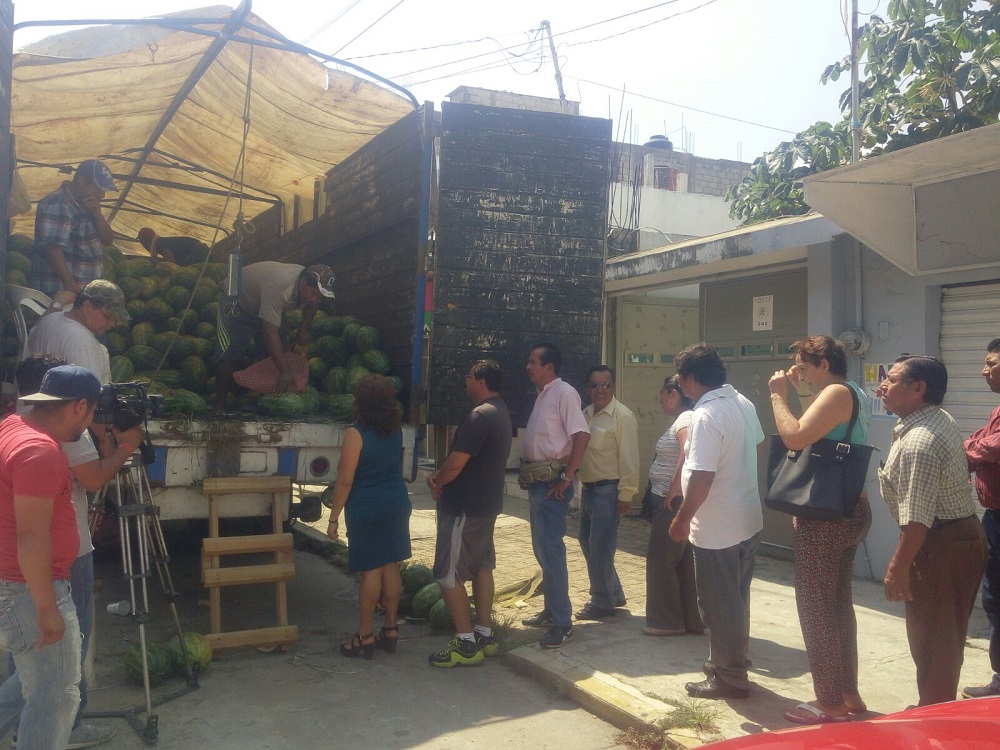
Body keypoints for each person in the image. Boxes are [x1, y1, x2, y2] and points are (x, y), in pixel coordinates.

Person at [767, 336, 872, 724]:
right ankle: (847, 692)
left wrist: (777, 396)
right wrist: (800, 392)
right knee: (837, 605)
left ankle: (829, 701)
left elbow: (794, 437)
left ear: (824, 365)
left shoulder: (836, 393)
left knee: (815, 607)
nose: (800, 372)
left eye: (804, 367)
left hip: (825, 518)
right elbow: (814, 432)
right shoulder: (852, 392)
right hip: (850, 509)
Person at [0, 365, 103, 748]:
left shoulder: (13, 427)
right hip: (27, 590)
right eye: (92, 413)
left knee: (35, 679)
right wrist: (47, 608)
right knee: (56, 697)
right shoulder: (39, 451)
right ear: (79, 406)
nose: (90, 423)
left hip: (16, 584)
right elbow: (31, 535)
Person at [878, 354, 987, 706]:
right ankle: (933, 704)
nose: (883, 386)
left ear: (918, 389)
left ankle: (934, 715)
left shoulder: (920, 441)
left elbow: (918, 519)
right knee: (939, 637)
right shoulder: (934, 419)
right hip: (951, 537)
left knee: (936, 641)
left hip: (942, 543)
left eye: (892, 380)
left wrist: (898, 566)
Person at [668, 342, 764, 700]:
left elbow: (702, 477)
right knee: (735, 601)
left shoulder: (706, 416)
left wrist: (682, 519)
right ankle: (730, 661)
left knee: (719, 606)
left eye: (680, 377)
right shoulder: (742, 403)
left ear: (690, 379)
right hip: (746, 521)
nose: (679, 383)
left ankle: (730, 677)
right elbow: (755, 446)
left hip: (718, 530)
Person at [426, 360, 513, 667]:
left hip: (464, 508)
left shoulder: (479, 416)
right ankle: (484, 634)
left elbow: (455, 464)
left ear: (481, 382)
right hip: (485, 507)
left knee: (447, 574)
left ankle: (465, 644)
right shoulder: (500, 411)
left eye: (468, 376)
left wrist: (437, 480)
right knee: (481, 567)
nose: (466, 381)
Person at [325, 375, 412, 660]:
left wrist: (334, 517)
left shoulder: (355, 433)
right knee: (391, 565)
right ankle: (390, 628)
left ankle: (364, 636)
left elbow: (345, 480)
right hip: (396, 502)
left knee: (371, 571)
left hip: (368, 506)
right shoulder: (396, 430)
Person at [519, 343, 590, 649]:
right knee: (542, 550)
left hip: (552, 484)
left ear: (548, 367)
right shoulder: (543, 394)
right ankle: (551, 610)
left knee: (551, 550)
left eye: (533, 362)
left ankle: (563, 623)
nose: (528, 367)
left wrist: (567, 476)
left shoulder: (564, 393)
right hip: (539, 482)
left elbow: (582, 435)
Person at [214, 261, 336, 410]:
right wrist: (284, 371)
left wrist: (303, 329)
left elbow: (313, 305)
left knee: (276, 353)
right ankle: (220, 405)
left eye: (319, 296)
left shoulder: (308, 286)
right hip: (238, 299)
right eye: (314, 293)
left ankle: (266, 401)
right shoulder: (280, 286)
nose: (314, 299)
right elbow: (269, 332)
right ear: (303, 282)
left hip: (263, 299)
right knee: (230, 351)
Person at [574, 365, 639, 620]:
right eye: (595, 385)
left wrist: (626, 494)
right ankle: (613, 592)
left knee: (601, 549)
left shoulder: (622, 416)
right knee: (587, 542)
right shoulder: (585, 414)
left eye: (606, 385)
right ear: (588, 388)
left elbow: (630, 459)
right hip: (589, 490)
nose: (600, 390)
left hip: (609, 493)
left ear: (613, 387)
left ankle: (601, 602)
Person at [644, 375, 703, 637]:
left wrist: (674, 488)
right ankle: (691, 620)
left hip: (671, 502)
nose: (659, 398)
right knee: (683, 562)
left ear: (673, 395)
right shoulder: (687, 417)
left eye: (662, 392)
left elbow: (687, 452)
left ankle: (665, 622)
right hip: (675, 499)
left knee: (661, 560)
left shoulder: (685, 419)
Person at [963, 338, 1000, 699]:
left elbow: (990, 446)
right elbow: (979, 440)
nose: (983, 371)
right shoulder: (997, 410)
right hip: (995, 518)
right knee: (994, 598)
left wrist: (971, 453)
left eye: (991, 363)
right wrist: (975, 449)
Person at [31, 160, 116, 304]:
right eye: (99, 188)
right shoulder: (59, 203)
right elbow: (52, 248)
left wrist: (97, 215)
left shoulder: (87, 204)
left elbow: (108, 240)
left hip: (80, 292)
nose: (102, 195)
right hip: (61, 292)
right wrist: (69, 284)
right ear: (82, 181)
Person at [25, 280, 131, 384]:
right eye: (108, 316)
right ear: (86, 307)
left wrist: (56, 304)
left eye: (115, 319)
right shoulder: (84, 345)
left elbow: (32, 334)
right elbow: (88, 393)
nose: (112, 324)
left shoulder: (49, 319)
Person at [136, 228, 211, 267]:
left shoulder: (158, 243)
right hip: (199, 248)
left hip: (197, 251)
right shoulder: (161, 241)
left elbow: (171, 262)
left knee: (182, 273)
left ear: (146, 242)